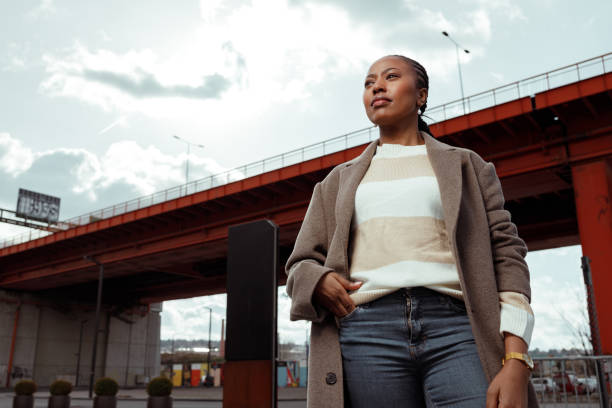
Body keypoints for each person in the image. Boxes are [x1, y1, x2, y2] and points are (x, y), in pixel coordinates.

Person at [286, 55, 537, 407]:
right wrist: (318, 280)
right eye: (368, 81)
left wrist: (516, 359)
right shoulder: (336, 182)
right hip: (366, 331)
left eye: (390, 76)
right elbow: (299, 265)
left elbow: (507, 257)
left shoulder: (469, 167)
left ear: (421, 96)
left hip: (459, 328)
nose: (377, 86)